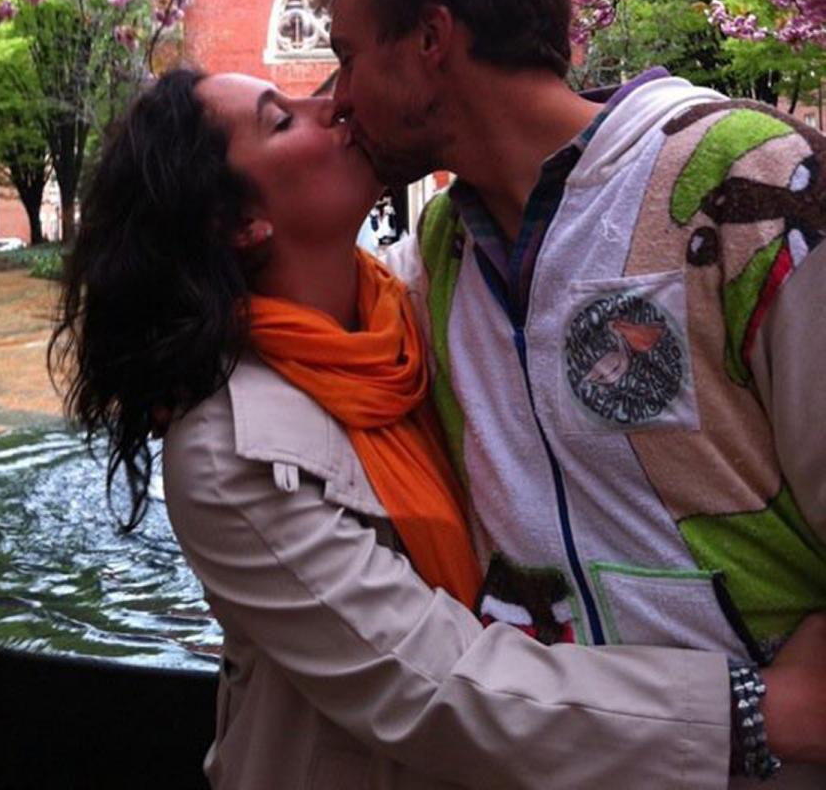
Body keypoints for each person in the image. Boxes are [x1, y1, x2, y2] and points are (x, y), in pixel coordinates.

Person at [50, 67, 819, 790]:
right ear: (241, 223)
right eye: (284, 120)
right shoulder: (228, 450)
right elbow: (423, 679)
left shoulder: (418, 311)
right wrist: (752, 712)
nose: (337, 105)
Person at [320, 0, 826, 785]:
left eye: (348, 56)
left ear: (431, 41)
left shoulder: (749, 181)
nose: (335, 98)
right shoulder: (440, 248)